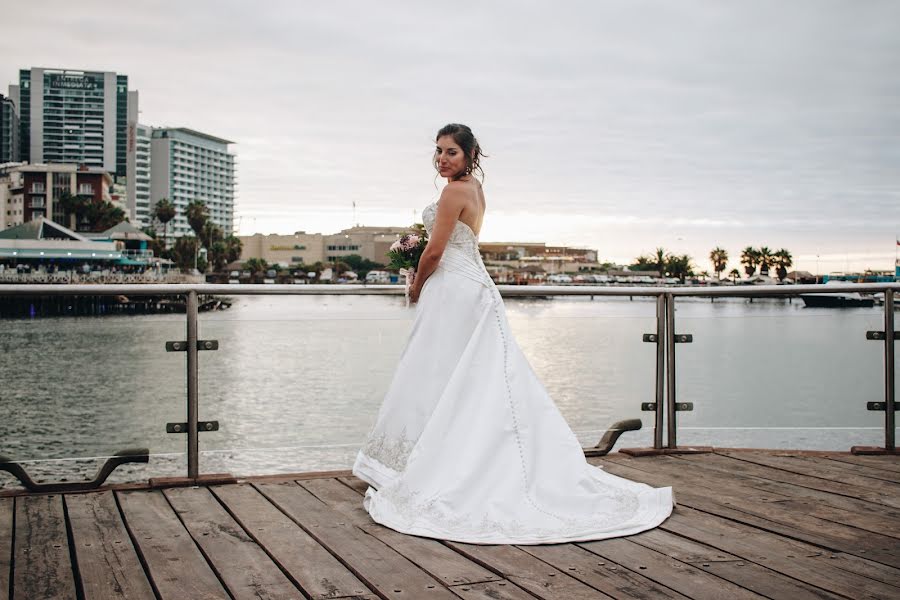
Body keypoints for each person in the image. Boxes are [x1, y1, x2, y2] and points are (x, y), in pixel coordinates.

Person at [352, 123, 673, 544]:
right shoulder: (477, 190)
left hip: (454, 290)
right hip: (474, 288)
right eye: (438, 152)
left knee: (439, 372)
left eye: (450, 152)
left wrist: (415, 284)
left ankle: (443, 465)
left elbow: (436, 249)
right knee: (471, 378)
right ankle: (454, 457)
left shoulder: (452, 193)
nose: (442, 159)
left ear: (468, 154)